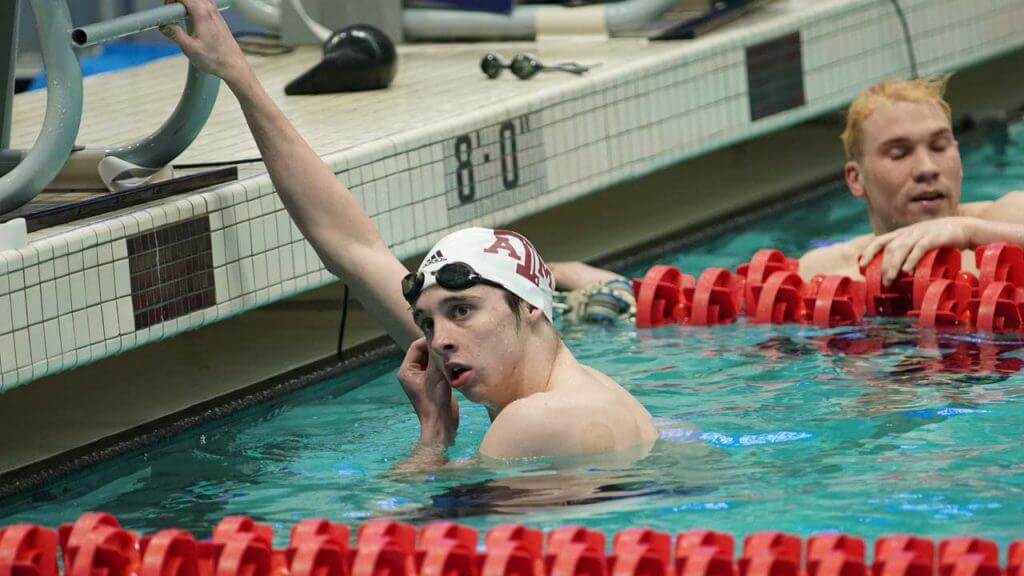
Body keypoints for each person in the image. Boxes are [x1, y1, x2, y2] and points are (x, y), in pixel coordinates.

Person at [160, 0, 657, 467]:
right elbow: (350, 246)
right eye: (428, 322)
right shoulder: (564, 383)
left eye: (462, 311)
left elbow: (410, 537)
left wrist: (433, 437)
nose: (440, 340)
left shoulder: (535, 420)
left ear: (528, 306)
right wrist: (237, 74)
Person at [797, 77, 1024, 285]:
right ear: (856, 179)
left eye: (939, 147)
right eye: (899, 153)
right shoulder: (824, 274)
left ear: (959, 159)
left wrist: (969, 233)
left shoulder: (1009, 219)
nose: (927, 168)